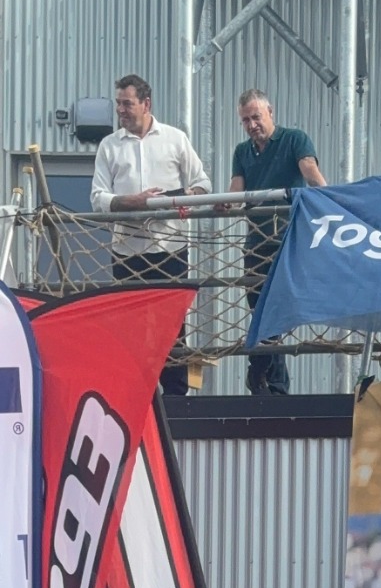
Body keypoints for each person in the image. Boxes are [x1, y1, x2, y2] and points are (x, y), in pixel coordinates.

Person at [91, 74, 211, 396]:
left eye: (126, 103)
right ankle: (135, 398)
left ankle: (174, 402)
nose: (120, 110)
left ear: (146, 104)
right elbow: (97, 198)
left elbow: (203, 185)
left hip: (171, 250)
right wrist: (132, 202)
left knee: (172, 329)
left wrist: (177, 200)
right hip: (127, 252)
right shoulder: (109, 146)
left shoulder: (175, 139)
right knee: (130, 331)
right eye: (118, 103)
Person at [227, 90, 327, 395]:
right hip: (257, 241)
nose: (252, 124)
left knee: (277, 311)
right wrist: (222, 203)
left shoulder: (294, 139)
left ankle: (261, 374)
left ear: (271, 112)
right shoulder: (242, 152)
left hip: (288, 239)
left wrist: (328, 199)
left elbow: (309, 171)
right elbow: (235, 191)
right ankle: (270, 384)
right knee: (261, 311)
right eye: (246, 120)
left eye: (256, 116)